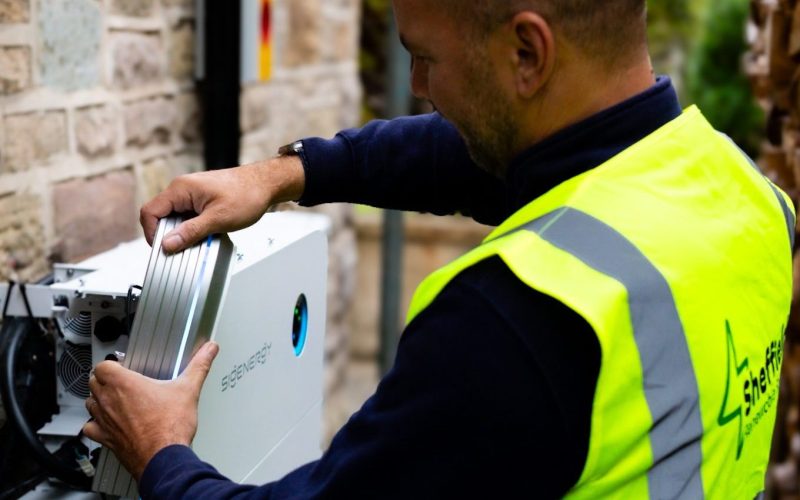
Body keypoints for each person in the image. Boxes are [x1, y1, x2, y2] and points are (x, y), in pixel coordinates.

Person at [82, 0, 795, 498]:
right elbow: (480, 158)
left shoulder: (513, 322)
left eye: (425, 58)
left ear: (528, 52)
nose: (418, 88)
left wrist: (161, 454)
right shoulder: (746, 194)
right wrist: (286, 174)